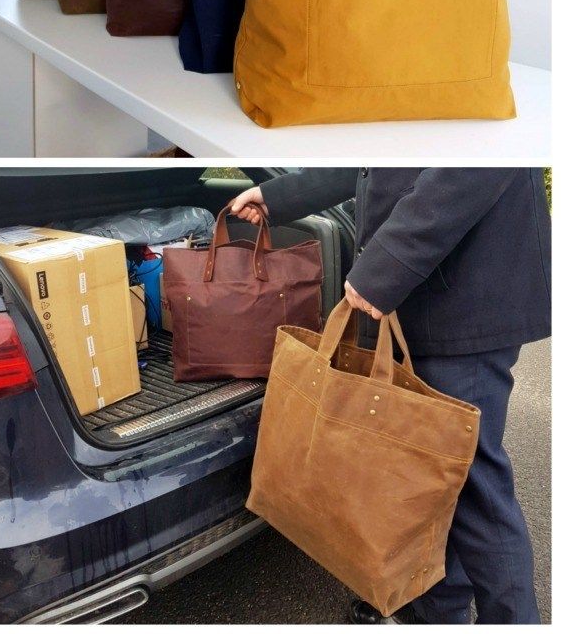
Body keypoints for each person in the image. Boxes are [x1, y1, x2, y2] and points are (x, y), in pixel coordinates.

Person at [230, 168, 550, 625]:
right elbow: (373, 156)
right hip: (422, 293)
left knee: (474, 488)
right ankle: (436, 612)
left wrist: (386, 265)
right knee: (427, 478)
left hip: (463, 299)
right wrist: (279, 195)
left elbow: (474, 166)